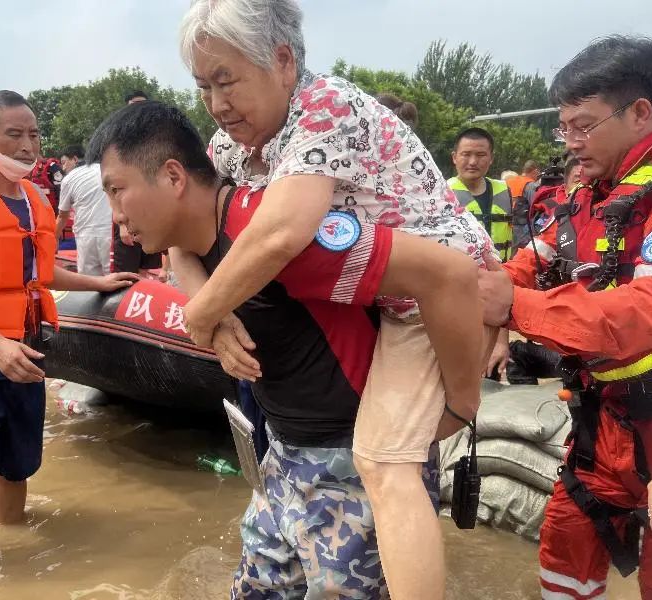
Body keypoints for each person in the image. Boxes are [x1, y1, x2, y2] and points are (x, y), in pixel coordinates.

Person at [89, 99, 484, 599]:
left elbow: (449, 274)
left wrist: (462, 401)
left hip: (353, 465)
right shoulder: (197, 236)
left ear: (173, 176)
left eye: (117, 190)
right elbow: (183, 251)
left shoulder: (284, 239)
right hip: (283, 455)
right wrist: (209, 315)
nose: (116, 215)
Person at [173, 3, 493, 598]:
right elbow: (184, 234)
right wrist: (213, 320)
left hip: (428, 303)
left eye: (226, 80)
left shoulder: (327, 106)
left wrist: (199, 314)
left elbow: (281, 232)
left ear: (283, 61)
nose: (216, 103)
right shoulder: (233, 145)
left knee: (384, 462)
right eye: (203, 87)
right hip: (372, 302)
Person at [0, 90, 136, 571]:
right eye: (13, 134)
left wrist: (97, 282)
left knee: (17, 469)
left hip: (25, 355)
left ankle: (16, 568)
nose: (27, 146)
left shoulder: (37, 200)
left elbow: (39, 272)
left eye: (34, 134)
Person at [477, 35, 652, 599]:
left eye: (584, 126)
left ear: (640, 113)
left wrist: (513, 308)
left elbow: (642, 313)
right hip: (605, 423)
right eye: (564, 129)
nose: (571, 142)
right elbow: (533, 261)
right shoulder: (587, 199)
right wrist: (470, 286)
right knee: (566, 543)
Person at [111, 89, 163, 277]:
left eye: (143, 105)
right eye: (134, 106)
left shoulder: (157, 140)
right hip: (129, 218)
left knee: (148, 272)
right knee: (126, 275)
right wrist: (122, 225)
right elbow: (112, 187)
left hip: (152, 217)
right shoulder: (117, 143)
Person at [448, 128, 515, 262]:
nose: (473, 162)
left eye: (480, 155)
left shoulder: (504, 191)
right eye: (466, 154)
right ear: (454, 157)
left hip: (503, 270)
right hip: (461, 272)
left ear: (491, 158)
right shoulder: (442, 193)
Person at [55, 160, 113, 275]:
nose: (63, 167)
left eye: (64, 162)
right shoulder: (110, 171)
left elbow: (62, 216)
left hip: (85, 236)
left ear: (75, 159)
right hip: (109, 233)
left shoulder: (70, 178)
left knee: (88, 280)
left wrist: (55, 238)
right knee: (114, 278)